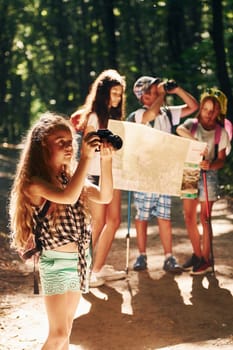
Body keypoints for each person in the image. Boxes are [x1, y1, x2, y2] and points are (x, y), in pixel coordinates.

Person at [9, 111, 113, 349]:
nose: (69, 147)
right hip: (55, 263)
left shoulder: (70, 178)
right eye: (61, 142)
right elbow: (68, 198)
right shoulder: (34, 183)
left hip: (79, 261)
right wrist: (86, 159)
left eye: (71, 142)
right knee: (57, 334)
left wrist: (106, 161)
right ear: (43, 144)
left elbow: (105, 195)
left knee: (66, 333)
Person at [130, 76, 199, 272]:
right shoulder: (139, 114)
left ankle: (169, 257)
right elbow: (152, 114)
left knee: (164, 216)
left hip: (164, 173)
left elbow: (193, 106)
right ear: (143, 97)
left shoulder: (168, 114)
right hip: (144, 175)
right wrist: (162, 94)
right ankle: (142, 256)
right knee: (142, 216)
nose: (157, 90)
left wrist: (176, 90)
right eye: (152, 90)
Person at [71, 69, 126, 287]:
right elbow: (87, 147)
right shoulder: (94, 116)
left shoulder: (116, 119)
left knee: (114, 221)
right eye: (113, 93)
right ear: (103, 93)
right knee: (98, 222)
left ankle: (97, 268)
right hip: (94, 174)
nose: (117, 98)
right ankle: (83, 270)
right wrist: (101, 143)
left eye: (120, 94)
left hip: (113, 172)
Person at [176, 88, 231, 275]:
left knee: (205, 219)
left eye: (213, 110)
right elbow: (179, 129)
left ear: (219, 112)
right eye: (205, 109)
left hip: (209, 175)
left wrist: (211, 164)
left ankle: (206, 259)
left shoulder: (220, 133)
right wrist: (197, 143)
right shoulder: (191, 125)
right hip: (190, 173)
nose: (208, 113)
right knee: (189, 217)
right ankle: (197, 254)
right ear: (201, 109)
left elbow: (222, 159)